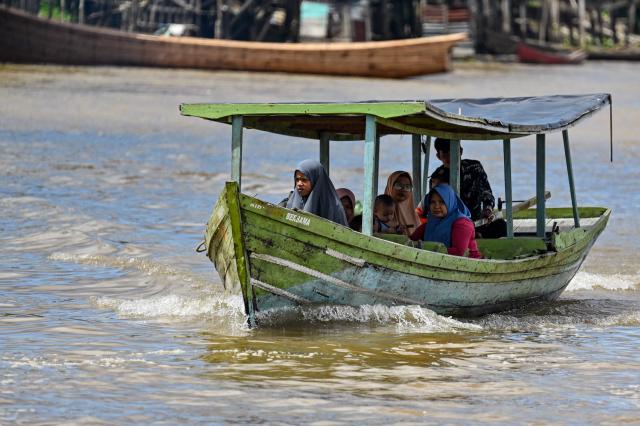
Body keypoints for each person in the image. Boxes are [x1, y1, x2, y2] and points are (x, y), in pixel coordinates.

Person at [432, 138, 506, 239]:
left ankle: (475, 235)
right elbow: (435, 206)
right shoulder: (437, 178)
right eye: (446, 152)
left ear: (461, 151)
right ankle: (471, 237)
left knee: (501, 226)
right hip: (452, 225)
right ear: (438, 156)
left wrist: (488, 208)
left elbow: (486, 192)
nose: (451, 155)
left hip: (477, 221)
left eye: (453, 150)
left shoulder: (475, 167)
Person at [420, 183, 482, 258]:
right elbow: (412, 238)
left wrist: (424, 250)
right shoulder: (431, 222)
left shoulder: (463, 223)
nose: (436, 206)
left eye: (442, 202)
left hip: (469, 265)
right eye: (432, 202)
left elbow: (459, 252)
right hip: (437, 262)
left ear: (450, 202)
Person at [284, 159, 348, 226]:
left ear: (315, 180)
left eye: (304, 180)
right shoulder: (292, 201)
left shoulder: (333, 206)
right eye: (297, 180)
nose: (299, 184)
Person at [384, 171, 421, 236]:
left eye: (407, 187)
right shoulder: (380, 212)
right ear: (390, 186)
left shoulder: (414, 217)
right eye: (398, 185)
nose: (403, 189)